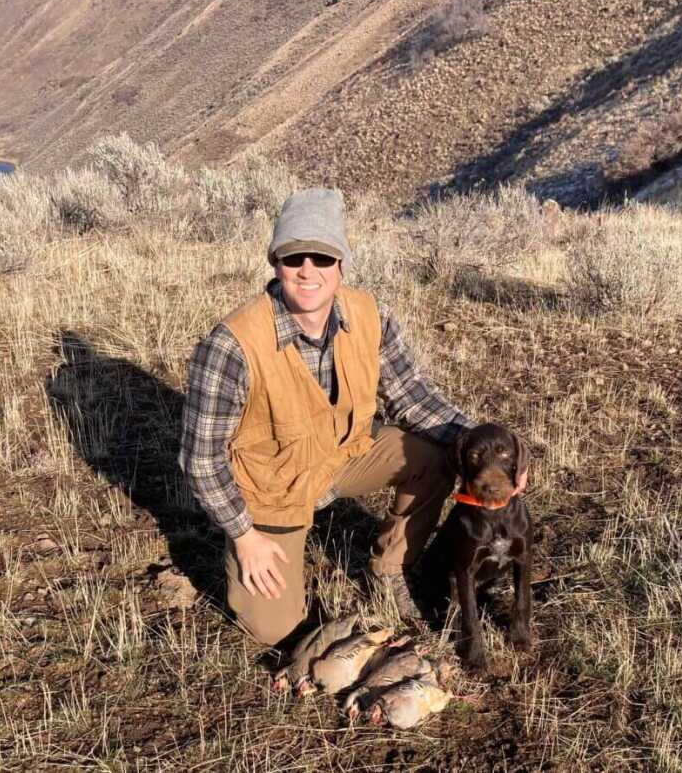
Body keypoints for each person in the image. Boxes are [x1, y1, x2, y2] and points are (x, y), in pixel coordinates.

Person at [179, 187, 527, 646]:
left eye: (322, 258)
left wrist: (482, 452)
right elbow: (201, 459)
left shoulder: (369, 315)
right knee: (272, 630)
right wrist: (245, 536)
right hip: (273, 487)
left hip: (344, 454)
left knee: (434, 456)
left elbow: (411, 395)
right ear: (275, 264)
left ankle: (390, 569)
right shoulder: (232, 344)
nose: (308, 271)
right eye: (294, 257)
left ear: (341, 265)